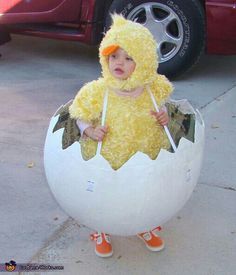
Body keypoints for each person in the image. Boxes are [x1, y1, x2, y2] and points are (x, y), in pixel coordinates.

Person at [69, 14, 173, 258]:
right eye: (114, 56)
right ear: (105, 57)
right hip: (109, 158)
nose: (119, 62)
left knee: (142, 191)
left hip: (144, 155)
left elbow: (161, 106)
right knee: (107, 194)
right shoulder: (98, 90)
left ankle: (143, 224)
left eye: (129, 58)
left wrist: (163, 116)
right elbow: (79, 114)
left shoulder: (152, 87)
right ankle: (102, 229)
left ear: (145, 62)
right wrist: (89, 130)